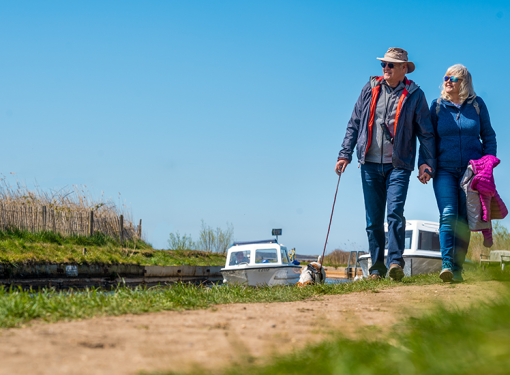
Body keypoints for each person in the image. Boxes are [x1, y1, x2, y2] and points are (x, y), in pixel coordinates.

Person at [336, 47, 436, 281]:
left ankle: (395, 263)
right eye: (384, 64)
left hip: (399, 164)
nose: (386, 68)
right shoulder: (370, 89)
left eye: (391, 65)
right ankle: (376, 268)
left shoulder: (415, 95)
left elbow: (427, 134)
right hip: (369, 164)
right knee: (373, 220)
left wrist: (426, 163)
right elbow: (354, 124)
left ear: (404, 69)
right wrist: (344, 154)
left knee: (394, 213)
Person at [430, 64, 497, 282]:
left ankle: (457, 269)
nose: (447, 81)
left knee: (464, 220)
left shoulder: (477, 105)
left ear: (464, 82)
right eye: (446, 77)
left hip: (471, 173)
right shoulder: (438, 106)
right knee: (449, 213)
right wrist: (425, 164)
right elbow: (428, 140)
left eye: (453, 78)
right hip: (444, 170)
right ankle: (447, 264)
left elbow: (488, 136)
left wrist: (487, 162)